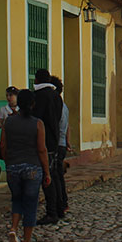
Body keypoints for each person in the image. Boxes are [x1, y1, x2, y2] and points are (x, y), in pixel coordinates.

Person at [1, 89, 51, 242]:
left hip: (13, 168)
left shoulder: (8, 122)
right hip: (32, 168)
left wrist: (9, 164)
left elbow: (3, 148)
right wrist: (47, 172)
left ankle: (14, 228)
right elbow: (42, 150)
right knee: (30, 204)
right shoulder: (37, 123)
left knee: (17, 199)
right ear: (33, 104)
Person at [32, 69, 62, 225]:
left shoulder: (40, 96)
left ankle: (51, 212)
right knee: (54, 174)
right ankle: (59, 207)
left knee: (47, 176)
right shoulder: (56, 96)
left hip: (44, 140)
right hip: (54, 139)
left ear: (37, 80)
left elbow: (36, 119)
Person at [51, 76, 70, 217]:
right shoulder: (64, 107)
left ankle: (60, 204)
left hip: (56, 144)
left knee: (56, 176)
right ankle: (62, 203)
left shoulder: (55, 106)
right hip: (62, 143)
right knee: (58, 176)